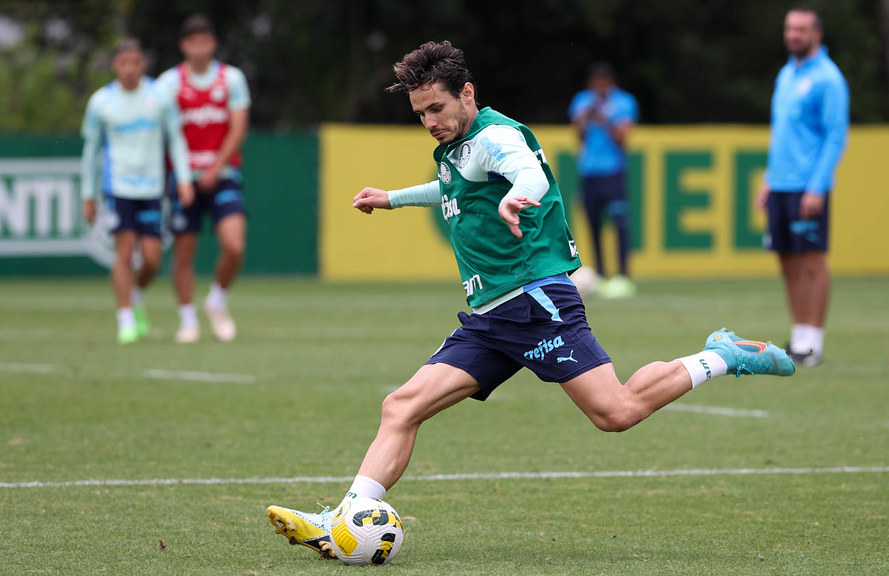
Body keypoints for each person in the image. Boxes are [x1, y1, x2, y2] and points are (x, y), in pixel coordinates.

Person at [265, 41, 795, 560]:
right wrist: (394, 198)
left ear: (467, 93)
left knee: (617, 412)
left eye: (437, 108)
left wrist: (520, 194)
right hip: (491, 317)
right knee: (400, 406)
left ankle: (724, 354)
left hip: (535, 302)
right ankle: (345, 521)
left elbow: (529, 172)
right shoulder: (458, 147)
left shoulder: (496, 136)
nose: (429, 120)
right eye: (420, 112)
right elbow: (453, 187)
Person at [80, 38, 194, 344]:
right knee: (125, 250)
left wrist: (183, 180)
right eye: (123, 63)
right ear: (115, 66)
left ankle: (135, 293)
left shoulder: (159, 97)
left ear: (143, 64)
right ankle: (126, 318)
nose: (130, 69)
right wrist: (88, 194)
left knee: (153, 259)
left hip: (153, 188)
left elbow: (177, 139)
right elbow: (91, 151)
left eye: (135, 63)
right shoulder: (101, 102)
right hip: (117, 188)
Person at [757, 7, 849, 366]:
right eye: (790, 28)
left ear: (817, 34)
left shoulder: (828, 78)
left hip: (807, 185)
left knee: (812, 262)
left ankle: (814, 343)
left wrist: (817, 186)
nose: (794, 35)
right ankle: (798, 338)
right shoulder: (786, 74)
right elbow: (783, 135)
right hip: (780, 184)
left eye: (801, 29)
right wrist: (769, 178)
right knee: (787, 261)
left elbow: (835, 135)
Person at [155, 14, 251, 344]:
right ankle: (187, 320)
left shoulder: (231, 79)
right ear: (183, 46)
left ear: (214, 44)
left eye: (204, 41)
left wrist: (214, 167)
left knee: (234, 245)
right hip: (183, 179)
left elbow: (238, 128)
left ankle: (216, 301)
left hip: (223, 175)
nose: (199, 48)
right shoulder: (168, 83)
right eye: (192, 42)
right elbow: (168, 133)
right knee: (184, 252)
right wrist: (185, 177)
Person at [568, 63, 639, 299]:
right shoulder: (582, 100)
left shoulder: (624, 102)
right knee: (593, 224)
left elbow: (623, 138)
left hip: (613, 171)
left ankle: (623, 275)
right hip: (589, 171)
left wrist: (605, 119)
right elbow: (578, 135)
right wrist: (585, 118)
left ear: (610, 82)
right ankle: (599, 274)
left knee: (620, 223)